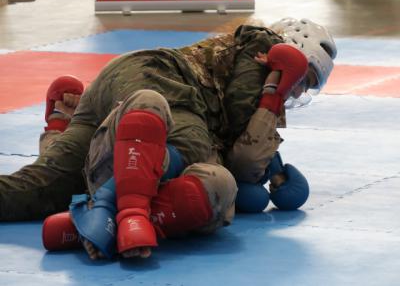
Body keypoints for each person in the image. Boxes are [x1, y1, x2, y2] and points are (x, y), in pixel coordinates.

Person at [0, 18, 336, 260]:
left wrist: (273, 170)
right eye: (302, 78)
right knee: (199, 160)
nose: (299, 89)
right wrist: (273, 98)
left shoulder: (259, 61)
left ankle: (63, 132)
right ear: (292, 51)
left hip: (118, 85)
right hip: (158, 86)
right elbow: (243, 158)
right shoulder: (263, 48)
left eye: (305, 86)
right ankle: (105, 206)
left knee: (43, 187)